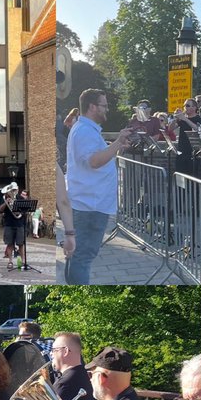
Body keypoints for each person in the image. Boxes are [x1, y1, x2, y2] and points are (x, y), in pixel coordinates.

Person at [64, 88, 130, 283]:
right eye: (104, 105)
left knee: (76, 256)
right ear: (92, 107)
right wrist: (117, 143)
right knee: (83, 258)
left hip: (88, 202)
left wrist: (114, 147)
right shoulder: (84, 131)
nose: (107, 109)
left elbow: (97, 158)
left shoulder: (85, 129)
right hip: (90, 205)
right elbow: (93, 161)